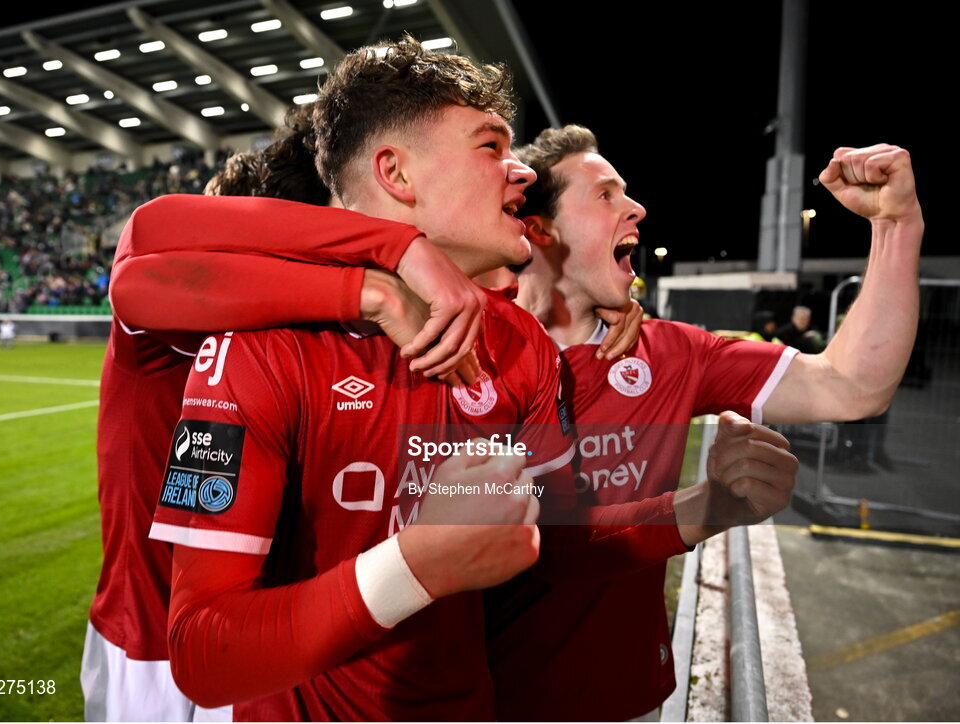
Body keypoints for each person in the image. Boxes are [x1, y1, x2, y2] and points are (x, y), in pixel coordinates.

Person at [147, 37, 580, 721]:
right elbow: (202, 654)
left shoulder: (522, 342)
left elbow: (552, 558)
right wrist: (417, 564)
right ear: (397, 174)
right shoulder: (261, 348)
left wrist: (701, 506)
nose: (521, 171)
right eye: (491, 146)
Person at [490, 126, 923, 721]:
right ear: (540, 228)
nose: (635, 207)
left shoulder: (669, 352)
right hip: (482, 699)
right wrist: (704, 507)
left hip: (625, 700)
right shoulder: (457, 346)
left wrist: (896, 226)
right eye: (606, 195)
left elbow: (852, 385)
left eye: (627, 193)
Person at [80, 113, 487, 720]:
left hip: (267, 639)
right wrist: (389, 259)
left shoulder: (313, 335)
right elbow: (148, 245)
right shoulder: (183, 303)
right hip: (152, 640)